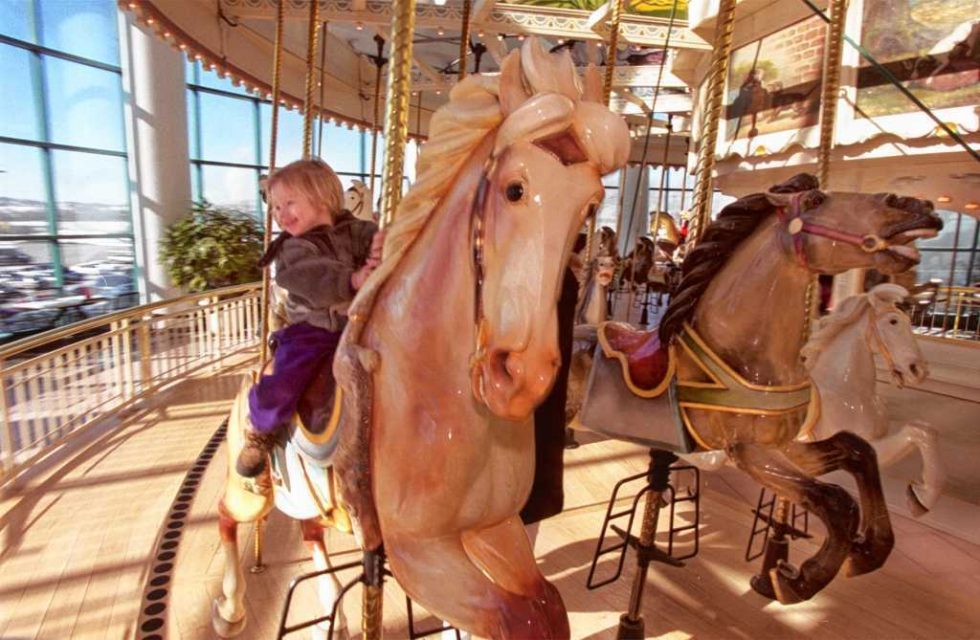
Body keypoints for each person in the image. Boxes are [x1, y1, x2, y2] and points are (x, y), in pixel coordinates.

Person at [236, 158, 384, 478]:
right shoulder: (292, 249)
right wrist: (351, 280)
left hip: (363, 323)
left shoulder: (358, 231)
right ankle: (260, 429)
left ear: (322, 197)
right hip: (313, 331)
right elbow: (311, 277)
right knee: (287, 376)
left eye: (289, 203)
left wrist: (386, 245)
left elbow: (380, 250)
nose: (280, 214)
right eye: (276, 207)